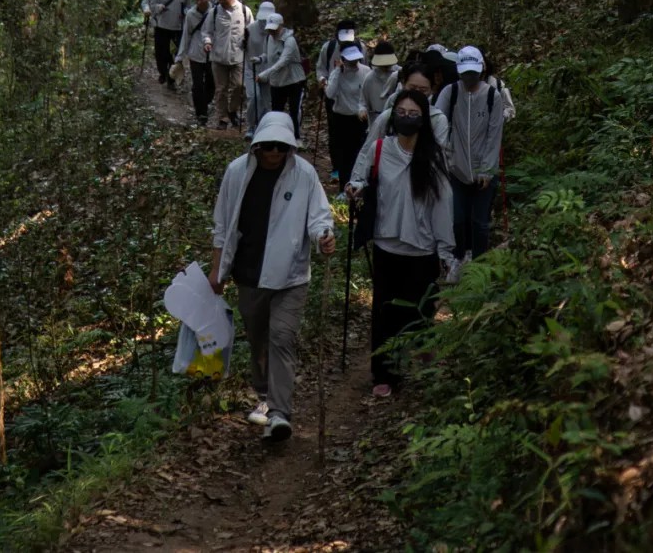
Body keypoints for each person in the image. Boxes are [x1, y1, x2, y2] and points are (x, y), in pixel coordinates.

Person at [209, 110, 336, 441]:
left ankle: (280, 412)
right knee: (258, 338)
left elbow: (318, 215)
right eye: (268, 147)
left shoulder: (304, 174)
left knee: (281, 336)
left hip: (291, 275)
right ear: (257, 147)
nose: (274, 154)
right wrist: (216, 269)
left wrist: (323, 235)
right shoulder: (237, 172)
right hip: (248, 274)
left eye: (281, 148)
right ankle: (265, 396)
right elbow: (222, 224)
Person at [347, 88, 453, 396]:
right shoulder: (381, 149)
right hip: (386, 243)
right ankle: (384, 374)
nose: (406, 119)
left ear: (424, 120)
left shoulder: (433, 159)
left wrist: (445, 250)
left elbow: (443, 205)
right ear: (393, 116)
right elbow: (362, 176)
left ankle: (422, 359)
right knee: (384, 312)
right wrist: (355, 187)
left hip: (423, 248)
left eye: (413, 115)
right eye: (401, 113)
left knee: (419, 311)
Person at [436, 45, 503, 261]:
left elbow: (494, 136)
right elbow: (437, 122)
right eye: (465, 72)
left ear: (481, 70)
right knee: (457, 219)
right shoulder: (451, 92)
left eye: (473, 72)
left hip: (484, 170)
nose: (469, 77)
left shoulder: (493, 96)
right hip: (456, 168)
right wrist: (445, 156)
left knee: (480, 222)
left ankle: (479, 263)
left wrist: (487, 169)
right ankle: (459, 258)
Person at [316, 23, 361, 182]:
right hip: (333, 94)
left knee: (357, 136)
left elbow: (365, 69)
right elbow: (320, 68)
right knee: (335, 133)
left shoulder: (360, 48)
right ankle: (337, 168)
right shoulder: (328, 48)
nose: (346, 43)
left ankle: (354, 168)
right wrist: (323, 79)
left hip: (355, 97)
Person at [202, 0, 250, 130]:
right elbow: (206, 31)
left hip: (238, 56)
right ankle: (222, 117)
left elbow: (251, 31)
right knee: (221, 89)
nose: (220, 1)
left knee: (239, 86)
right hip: (218, 56)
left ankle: (232, 110)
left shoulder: (244, 11)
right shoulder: (214, 12)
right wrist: (207, 42)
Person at [324, 44, 371, 189]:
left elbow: (368, 93)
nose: (353, 63)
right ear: (343, 59)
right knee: (343, 155)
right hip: (341, 118)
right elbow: (330, 93)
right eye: (350, 60)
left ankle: (357, 184)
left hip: (359, 119)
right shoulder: (337, 73)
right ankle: (344, 186)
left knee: (359, 153)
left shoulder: (366, 71)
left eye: (356, 59)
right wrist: (338, 70)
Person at [256, 10, 306, 138]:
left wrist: (265, 74)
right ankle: (277, 135)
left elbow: (283, 61)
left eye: (274, 29)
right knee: (276, 111)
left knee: (294, 111)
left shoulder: (289, 41)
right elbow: (268, 55)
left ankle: (296, 136)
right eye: (270, 29)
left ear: (281, 26)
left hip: (293, 80)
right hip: (277, 82)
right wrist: (260, 59)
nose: (272, 32)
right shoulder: (269, 38)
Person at [176, 0, 216, 126]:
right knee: (197, 85)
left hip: (212, 54)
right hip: (195, 53)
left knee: (211, 83)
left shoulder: (216, 12)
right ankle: (201, 113)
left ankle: (205, 103)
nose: (199, 2)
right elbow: (186, 35)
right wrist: (180, 57)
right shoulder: (191, 14)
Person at [145, 0, 191, 88]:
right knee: (162, 53)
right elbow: (152, 4)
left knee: (175, 55)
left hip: (178, 28)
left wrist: (185, 13)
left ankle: (171, 79)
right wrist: (159, 8)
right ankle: (163, 73)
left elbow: (190, 7)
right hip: (162, 26)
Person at [244, 1, 274, 136]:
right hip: (252, 69)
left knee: (266, 101)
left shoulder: (275, 32)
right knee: (254, 97)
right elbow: (241, 47)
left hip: (268, 70)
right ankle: (251, 125)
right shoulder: (249, 29)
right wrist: (242, 42)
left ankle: (263, 126)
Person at [360, 40, 401, 122]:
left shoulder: (400, 74)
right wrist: (362, 111)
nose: (385, 66)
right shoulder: (370, 78)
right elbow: (363, 102)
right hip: (376, 119)